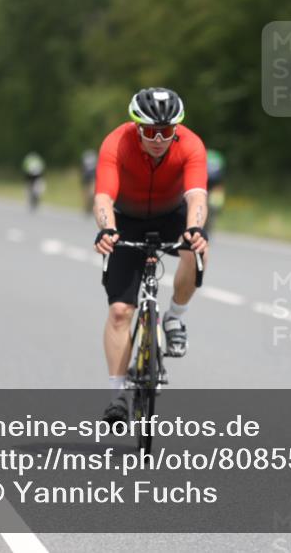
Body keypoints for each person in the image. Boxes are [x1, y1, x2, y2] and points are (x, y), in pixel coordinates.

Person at [92, 87, 208, 422]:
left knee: (197, 248)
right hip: (125, 219)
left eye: (166, 132)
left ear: (176, 130)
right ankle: (117, 397)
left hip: (171, 215)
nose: (158, 138)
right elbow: (103, 197)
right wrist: (107, 228)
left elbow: (197, 197)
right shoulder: (116, 143)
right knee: (118, 312)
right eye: (150, 131)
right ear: (136, 127)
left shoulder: (191, 145)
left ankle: (175, 316)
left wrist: (195, 230)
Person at [205, 149, 226, 235]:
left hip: (206, 183)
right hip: (215, 185)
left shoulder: (203, 154)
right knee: (214, 207)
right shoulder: (217, 157)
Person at [80, 149, 98, 214]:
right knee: (87, 193)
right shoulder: (89, 156)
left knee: (91, 193)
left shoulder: (92, 156)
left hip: (91, 176)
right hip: (87, 176)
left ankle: (90, 207)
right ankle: (87, 207)